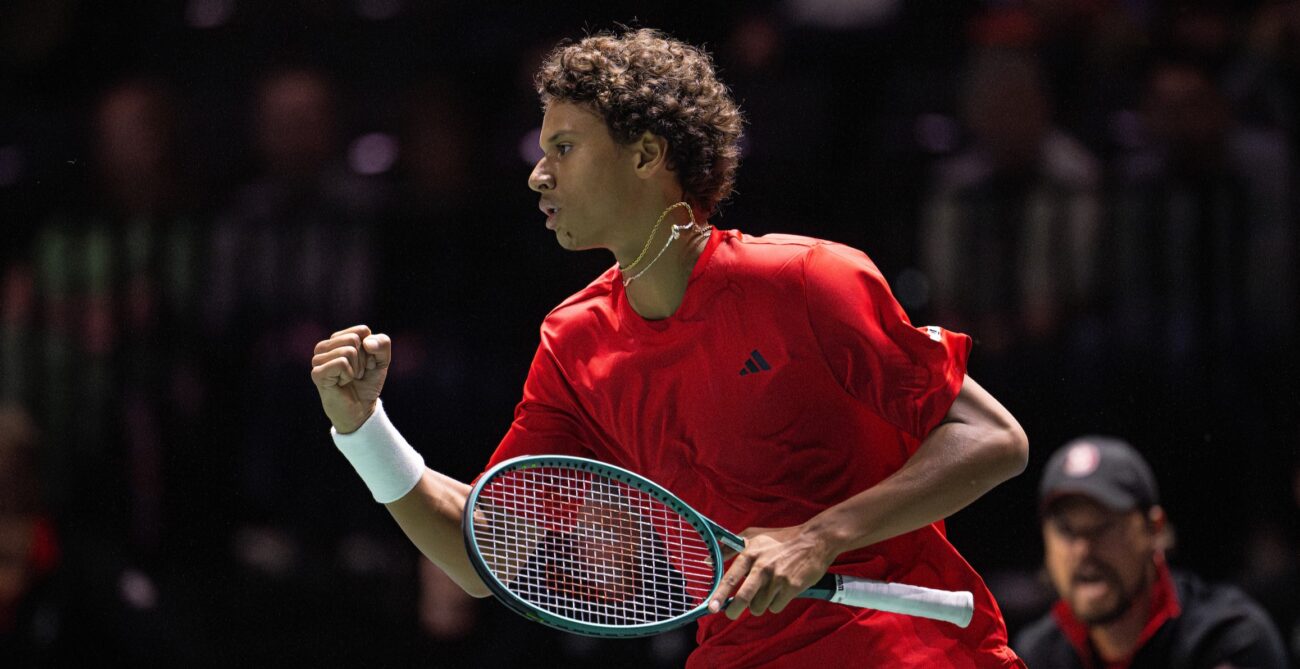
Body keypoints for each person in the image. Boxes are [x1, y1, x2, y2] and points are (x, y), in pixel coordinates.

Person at [311, 28, 1029, 667]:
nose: (537, 173)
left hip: (906, 644)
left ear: (648, 154)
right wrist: (362, 429)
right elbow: (485, 554)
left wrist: (820, 535)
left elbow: (994, 438)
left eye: (563, 147)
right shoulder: (574, 341)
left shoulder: (805, 280)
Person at [1014, 436, 1288, 668]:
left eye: (1104, 527)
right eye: (1066, 530)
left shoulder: (1228, 639)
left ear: (1155, 530)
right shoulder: (1034, 654)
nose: (1084, 549)